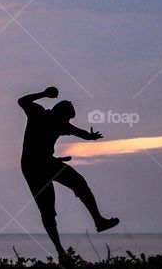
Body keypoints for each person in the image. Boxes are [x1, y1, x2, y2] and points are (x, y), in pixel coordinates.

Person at [18, 86, 119, 259]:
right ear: (59, 112)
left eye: (67, 120)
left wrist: (91, 137)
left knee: (79, 182)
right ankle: (60, 251)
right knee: (48, 210)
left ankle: (98, 221)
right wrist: (44, 94)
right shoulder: (38, 113)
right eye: (66, 118)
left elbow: (80, 133)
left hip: (49, 163)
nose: (66, 122)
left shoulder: (61, 123)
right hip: (32, 167)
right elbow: (22, 101)